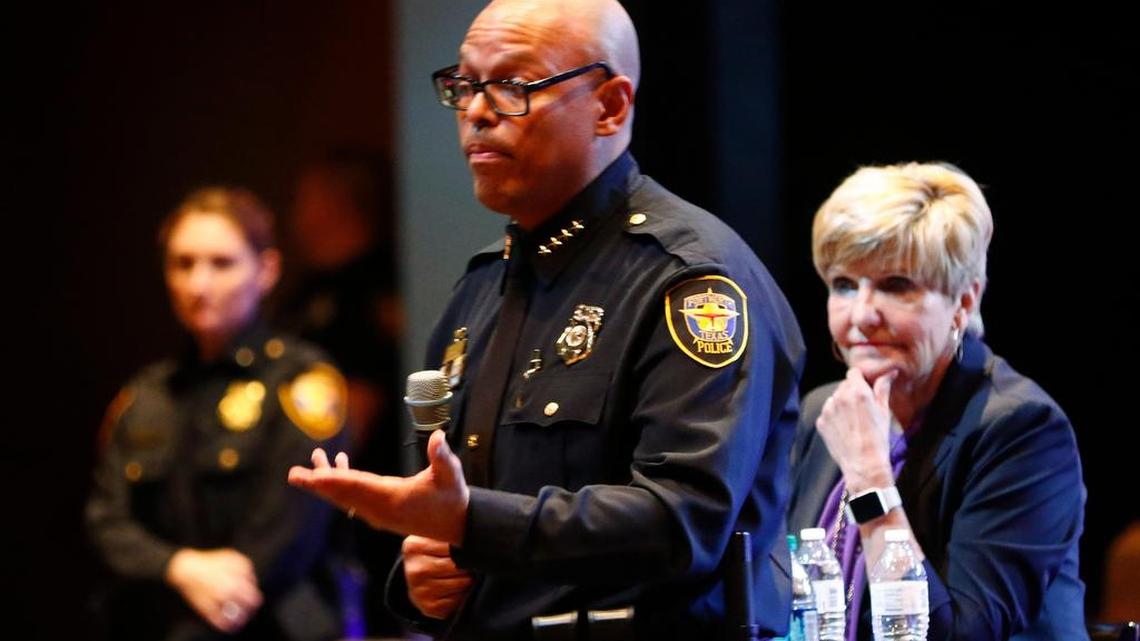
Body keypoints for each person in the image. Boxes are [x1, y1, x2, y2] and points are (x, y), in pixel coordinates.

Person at [287, 0, 805, 639]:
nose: (476, 111)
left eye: (511, 86)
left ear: (610, 106)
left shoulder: (689, 281)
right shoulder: (480, 287)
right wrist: (422, 572)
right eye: (466, 85)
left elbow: (683, 523)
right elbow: (454, 517)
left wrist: (471, 524)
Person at [786, 162, 1086, 640]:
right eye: (844, 284)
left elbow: (962, 634)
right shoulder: (825, 410)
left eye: (896, 285)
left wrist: (869, 477)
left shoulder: (1021, 429)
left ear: (964, 302)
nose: (862, 315)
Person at [86, 187, 349, 641]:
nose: (198, 285)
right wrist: (180, 567)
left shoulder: (302, 382)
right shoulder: (144, 396)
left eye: (222, 263)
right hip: (165, 619)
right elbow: (107, 522)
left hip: (272, 625)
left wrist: (222, 589)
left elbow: (292, 527)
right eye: (183, 264)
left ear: (266, 270)